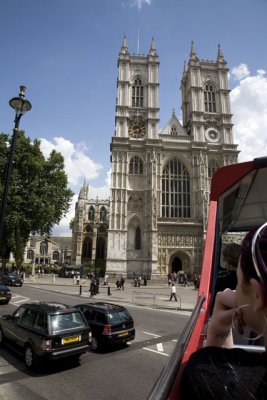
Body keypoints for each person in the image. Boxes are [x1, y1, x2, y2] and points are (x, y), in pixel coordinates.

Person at [180, 222, 267, 399]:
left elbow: (218, 376)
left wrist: (218, 331)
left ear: (258, 295)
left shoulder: (207, 378)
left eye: (238, 281)